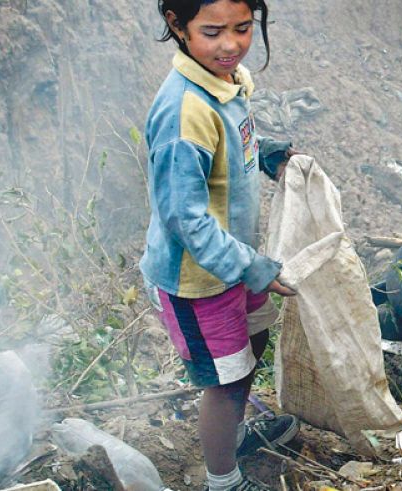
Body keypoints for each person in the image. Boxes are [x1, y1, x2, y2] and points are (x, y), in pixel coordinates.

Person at [141, 1, 298, 489]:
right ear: (177, 25)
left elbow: (231, 141)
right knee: (225, 381)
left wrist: (264, 150)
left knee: (252, 347)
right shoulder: (183, 114)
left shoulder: (227, 80)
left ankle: (231, 435)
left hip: (237, 260)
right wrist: (251, 268)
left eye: (243, 28)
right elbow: (184, 217)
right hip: (199, 278)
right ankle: (223, 479)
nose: (230, 45)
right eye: (212, 32)